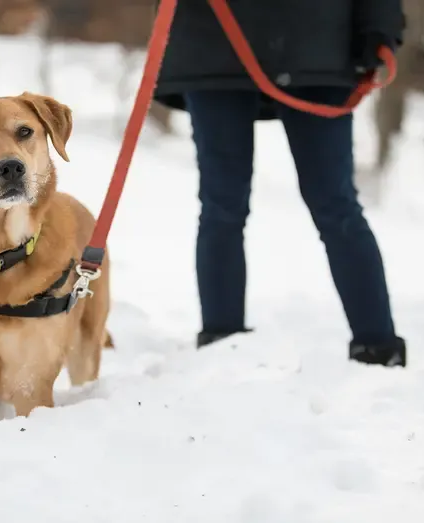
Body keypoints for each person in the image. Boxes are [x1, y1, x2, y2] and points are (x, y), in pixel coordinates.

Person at [154, 0, 407, 367]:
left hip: (316, 41)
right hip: (215, 41)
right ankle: (221, 346)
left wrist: (380, 29)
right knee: (223, 205)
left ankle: (378, 347)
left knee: (333, 204)